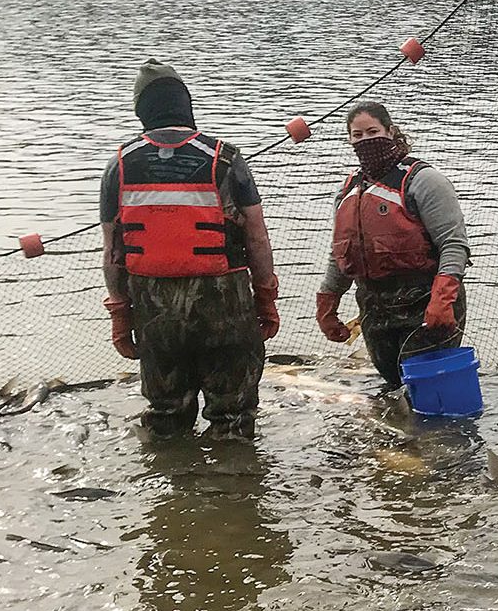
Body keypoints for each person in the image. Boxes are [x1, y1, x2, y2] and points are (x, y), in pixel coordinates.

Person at [100, 60, 279, 440]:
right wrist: (265, 298)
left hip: (153, 308)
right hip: (225, 303)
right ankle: (234, 491)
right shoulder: (225, 159)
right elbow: (257, 237)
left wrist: (119, 312)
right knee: (232, 416)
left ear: (142, 109)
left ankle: (169, 490)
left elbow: (113, 252)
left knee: (165, 413)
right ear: (185, 104)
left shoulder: (118, 165)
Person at [315, 102, 471, 386]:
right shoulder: (349, 189)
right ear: (349, 139)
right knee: (393, 385)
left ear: (390, 131)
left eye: (373, 131)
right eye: (357, 135)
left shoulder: (423, 181)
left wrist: (442, 300)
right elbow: (340, 252)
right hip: (375, 308)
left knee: (428, 387)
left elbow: (454, 244)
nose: (366, 141)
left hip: (425, 302)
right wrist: (327, 303)